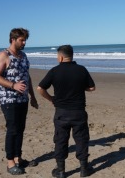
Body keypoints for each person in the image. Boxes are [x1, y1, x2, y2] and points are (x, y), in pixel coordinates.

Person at [37, 45, 95, 178]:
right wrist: (80, 87)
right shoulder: (81, 70)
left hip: (61, 112)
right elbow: (92, 88)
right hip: (78, 111)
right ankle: (84, 168)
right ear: (72, 56)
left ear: (61, 57)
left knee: (60, 139)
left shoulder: (54, 71)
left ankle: (61, 170)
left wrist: (51, 98)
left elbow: (40, 88)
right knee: (81, 139)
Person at [0, 28, 39, 175]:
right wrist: (13, 85)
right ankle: (10, 162)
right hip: (8, 98)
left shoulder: (23, 56)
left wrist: (32, 96)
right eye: (21, 40)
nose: (24, 42)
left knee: (20, 129)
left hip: (23, 98)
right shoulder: (4, 55)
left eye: (25, 40)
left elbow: (27, 77)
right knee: (12, 129)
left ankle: (18, 158)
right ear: (13, 39)